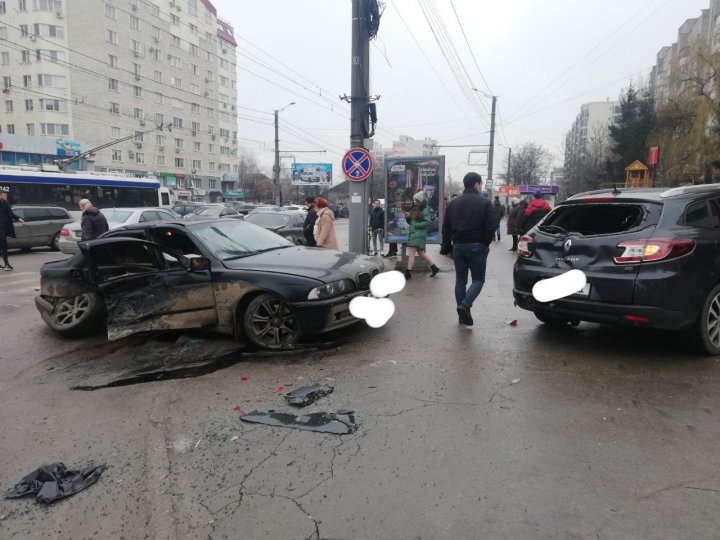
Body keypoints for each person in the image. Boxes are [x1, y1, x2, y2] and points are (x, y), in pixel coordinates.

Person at [440, 172, 495, 326]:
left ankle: (462, 315)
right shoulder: (485, 203)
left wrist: (447, 248)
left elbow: (446, 228)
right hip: (477, 245)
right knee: (478, 280)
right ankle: (465, 305)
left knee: (460, 280)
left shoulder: (452, 203)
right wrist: (485, 244)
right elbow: (490, 227)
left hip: (457, 246)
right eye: (480, 183)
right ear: (476, 184)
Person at [403, 191, 439, 279]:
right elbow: (412, 222)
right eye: (414, 200)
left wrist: (415, 225)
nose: (414, 202)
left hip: (418, 234)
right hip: (416, 234)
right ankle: (434, 267)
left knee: (411, 253)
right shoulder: (417, 209)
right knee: (421, 253)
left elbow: (427, 221)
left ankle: (408, 273)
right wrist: (407, 217)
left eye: (415, 200)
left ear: (420, 200)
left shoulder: (424, 209)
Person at [0, 186, 23, 271]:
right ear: (0, 195)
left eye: (6, 195)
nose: (6, 196)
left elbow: (11, 214)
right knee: (4, 247)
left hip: (4, 230)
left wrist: (18, 218)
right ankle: (6, 265)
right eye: (4, 195)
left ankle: (6, 264)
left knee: (4, 248)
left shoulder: (6, 203)